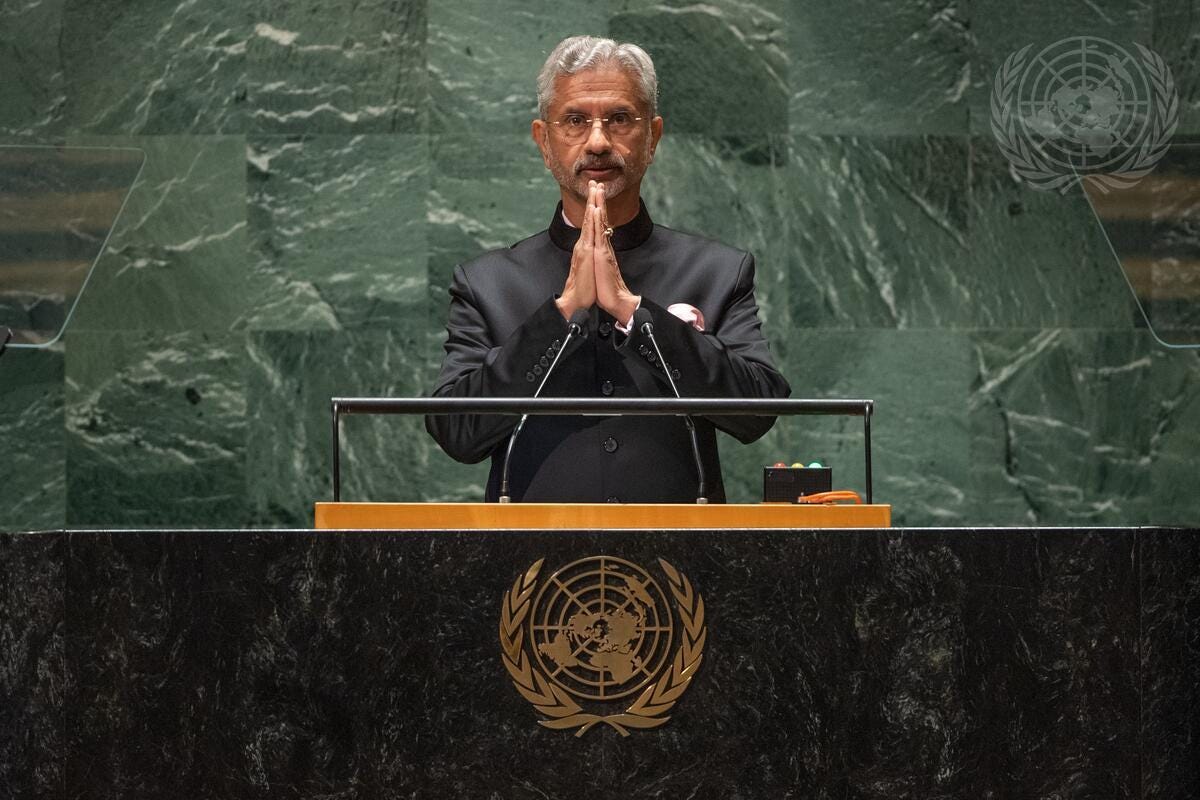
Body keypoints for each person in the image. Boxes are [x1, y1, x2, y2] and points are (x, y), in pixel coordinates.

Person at [426, 35, 790, 503]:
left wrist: (636, 313)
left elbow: (758, 412)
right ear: (544, 141)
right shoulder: (487, 283)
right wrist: (562, 313)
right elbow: (455, 431)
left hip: (680, 546)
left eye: (619, 119)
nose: (598, 141)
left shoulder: (718, 272)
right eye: (575, 121)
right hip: (532, 548)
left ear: (653, 137)